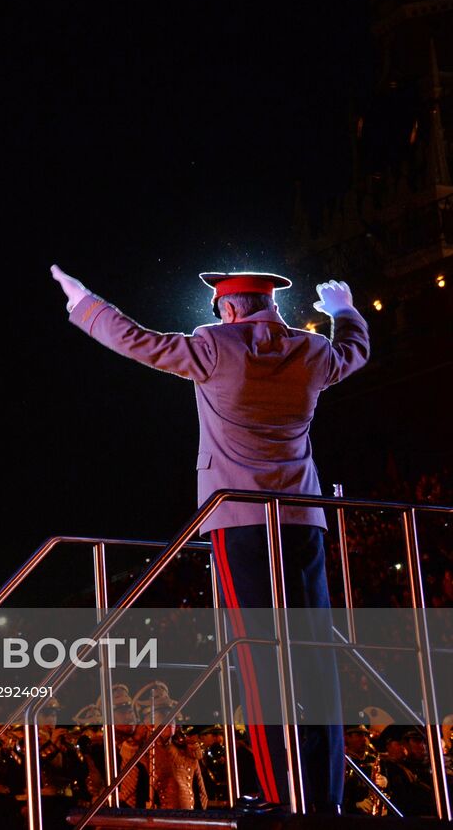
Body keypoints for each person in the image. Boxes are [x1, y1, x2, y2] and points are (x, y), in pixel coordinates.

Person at [51, 265, 370, 814]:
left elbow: (138, 343)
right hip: (303, 520)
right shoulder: (311, 351)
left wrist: (84, 303)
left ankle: (284, 800)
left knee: (259, 660)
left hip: (240, 521)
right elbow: (353, 353)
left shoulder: (214, 346)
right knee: (314, 660)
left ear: (227, 309)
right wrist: (345, 310)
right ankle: (326, 799)